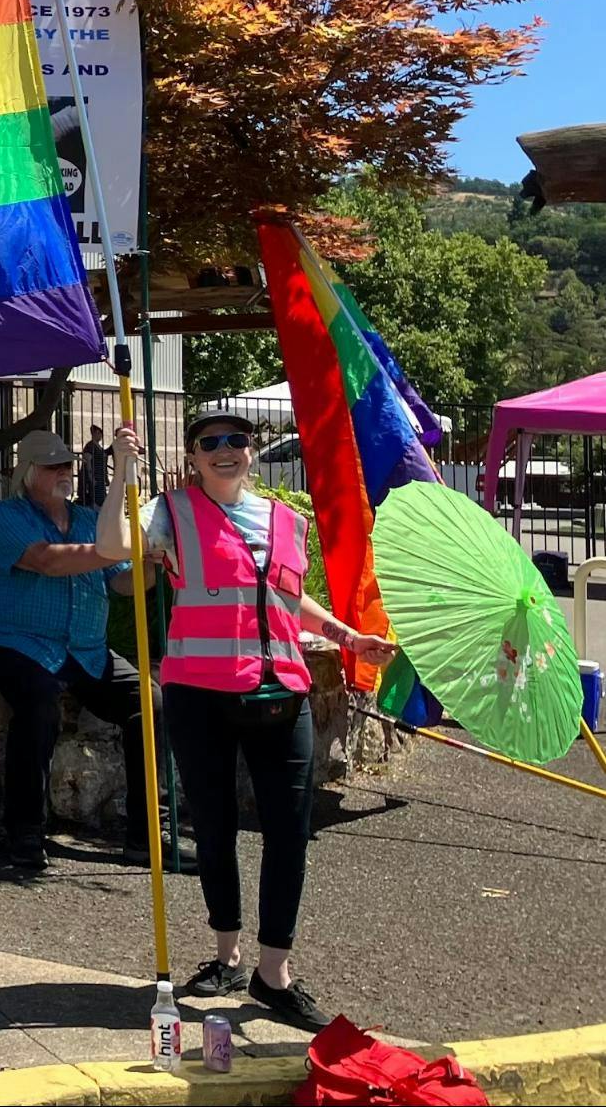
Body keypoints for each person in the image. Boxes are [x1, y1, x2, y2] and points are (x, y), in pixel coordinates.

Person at [98, 407, 397, 1031]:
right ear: (193, 456)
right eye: (210, 442)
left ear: (253, 451)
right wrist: (122, 469)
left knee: (290, 833)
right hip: (199, 696)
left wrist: (348, 637)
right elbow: (110, 546)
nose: (224, 449)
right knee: (215, 828)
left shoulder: (285, 520)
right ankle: (227, 955)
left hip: (281, 694)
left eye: (237, 439)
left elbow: (289, 599)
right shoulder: (170, 512)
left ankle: (273, 973)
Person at [0, 429, 190, 873]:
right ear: (27, 473)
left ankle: (150, 834)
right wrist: (117, 548)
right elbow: (49, 561)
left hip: (86, 648)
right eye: (52, 466)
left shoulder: (91, 520)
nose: (64, 472)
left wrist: (149, 564)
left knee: (151, 704)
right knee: (39, 705)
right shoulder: (4, 516)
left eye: (67, 464)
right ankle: (25, 830)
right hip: (18, 643)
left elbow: (124, 584)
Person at [77, 424, 110, 507]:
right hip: (94, 478)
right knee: (95, 500)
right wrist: (91, 477)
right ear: (94, 433)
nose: (101, 435)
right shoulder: (90, 446)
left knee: (102, 500)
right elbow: (87, 463)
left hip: (100, 478)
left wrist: (105, 477)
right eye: (99, 433)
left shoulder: (99, 447)